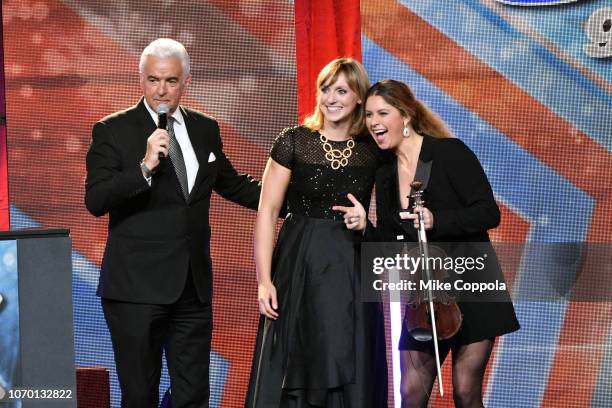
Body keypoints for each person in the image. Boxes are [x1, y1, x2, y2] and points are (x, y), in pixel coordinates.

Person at [85, 38, 261, 408]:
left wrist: (299, 197)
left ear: (187, 81)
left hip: (191, 289)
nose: (161, 90)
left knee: (193, 394)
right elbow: (96, 200)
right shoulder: (113, 130)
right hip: (135, 290)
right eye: (153, 80)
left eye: (170, 81)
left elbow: (233, 185)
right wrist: (145, 166)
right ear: (141, 80)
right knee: (139, 394)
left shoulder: (205, 129)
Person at [353, 80, 520, 407]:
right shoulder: (385, 174)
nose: (373, 121)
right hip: (423, 298)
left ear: (406, 115)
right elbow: (390, 244)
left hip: (473, 285)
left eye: (382, 113)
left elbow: (488, 212)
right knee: (410, 392)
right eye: (369, 114)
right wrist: (364, 227)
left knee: (465, 391)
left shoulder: (448, 152)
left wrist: (436, 220)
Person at [245, 58, 388, 408]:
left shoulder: (373, 151)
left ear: (358, 98)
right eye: (326, 89)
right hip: (298, 264)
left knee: (347, 353)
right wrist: (264, 279)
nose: (331, 97)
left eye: (341, 90)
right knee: (294, 355)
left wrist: (364, 223)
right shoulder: (293, 141)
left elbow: (393, 223)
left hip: (349, 270)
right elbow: (268, 211)